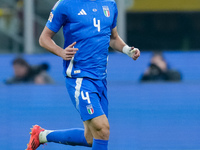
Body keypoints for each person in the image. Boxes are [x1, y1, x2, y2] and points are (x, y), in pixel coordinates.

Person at [26, 0, 140, 150]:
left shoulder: (110, 4)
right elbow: (44, 38)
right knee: (103, 129)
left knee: (92, 138)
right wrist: (61, 52)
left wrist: (127, 50)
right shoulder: (65, 4)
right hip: (79, 77)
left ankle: (41, 135)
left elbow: (113, 38)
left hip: (100, 79)